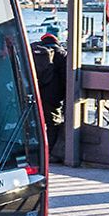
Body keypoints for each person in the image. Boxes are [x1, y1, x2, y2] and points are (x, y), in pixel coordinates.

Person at [30, 31, 68, 163]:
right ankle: (48, 154)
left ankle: (33, 151)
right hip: (52, 95)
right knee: (53, 124)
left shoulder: (32, 51)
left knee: (34, 122)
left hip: (33, 93)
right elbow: (66, 78)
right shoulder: (61, 53)